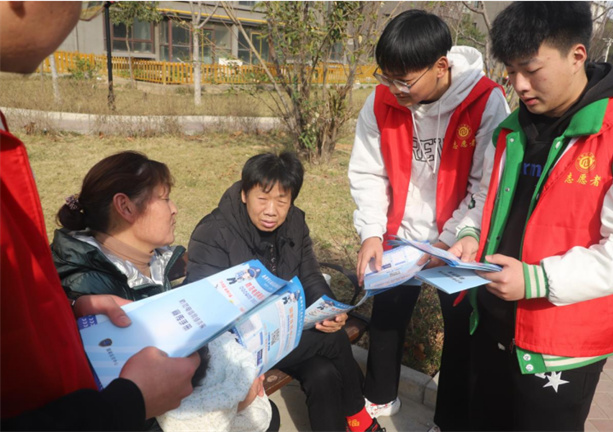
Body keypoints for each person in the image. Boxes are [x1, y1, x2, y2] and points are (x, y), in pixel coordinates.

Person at [449, 2, 613, 430]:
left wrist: (536, 280)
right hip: (492, 323)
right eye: (510, 71)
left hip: (561, 348)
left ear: (577, 55)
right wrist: (469, 234)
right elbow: (486, 198)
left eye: (531, 69)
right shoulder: (513, 129)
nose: (519, 85)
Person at [0, 2, 200, 430]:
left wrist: (69, 310)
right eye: (164, 198)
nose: (79, 12)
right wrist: (125, 405)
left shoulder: (160, 261)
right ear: (124, 207)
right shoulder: (91, 273)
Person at [347, 9, 509, 430]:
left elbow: (486, 184)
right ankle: (379, 398)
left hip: (457, 242)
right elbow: (368, 172)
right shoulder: (381, 101)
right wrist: (371, 232)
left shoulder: (485, 101)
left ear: (441, 66)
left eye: (404, 80)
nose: (394, 89)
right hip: (400, 235)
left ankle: (449, 419)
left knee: (459, 331)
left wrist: (449, 238)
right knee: (387, 317)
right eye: (387, 77)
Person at [50, 151, 278, 432]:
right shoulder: (89, 287)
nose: (175, 209)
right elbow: (132, 407)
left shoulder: (152, 261)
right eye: (165, 198)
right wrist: (233, 404)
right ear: (125, 207)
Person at [186, 152, 383, 432]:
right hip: (239, 345)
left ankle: (352, 420)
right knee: (333, 340)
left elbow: (310, 274)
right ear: (244, 194)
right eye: (263, 199)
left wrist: (328, 308)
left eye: (282, 201)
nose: (271, 211)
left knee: (322, 372)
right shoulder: (214, 232)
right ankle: (359, 416)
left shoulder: (295, 222)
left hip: (284, 331)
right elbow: (205, 306)